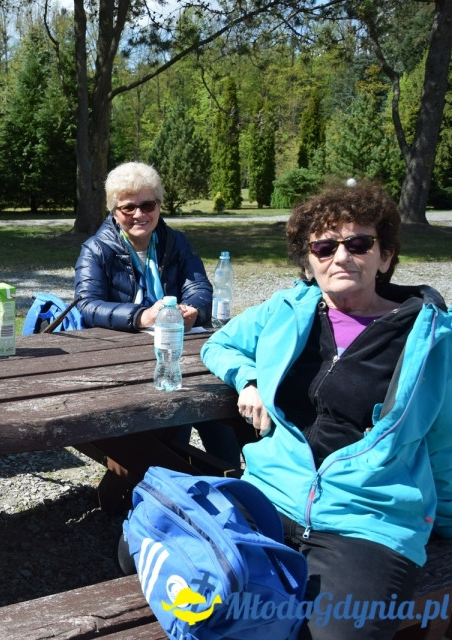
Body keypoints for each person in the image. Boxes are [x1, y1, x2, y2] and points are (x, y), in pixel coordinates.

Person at [199, 182, 452, 639]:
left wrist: (444, 524)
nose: (341, 256)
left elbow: (445, 441)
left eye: (359, 243)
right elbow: (219, 343)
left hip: (366, 520)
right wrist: (249, 379)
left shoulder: (430, 339)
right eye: (324, 245)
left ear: (386, 256)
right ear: (309, 259)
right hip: (268, 496)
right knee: (178, 577)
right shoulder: (288, 309)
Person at [74, 161, 241, 469]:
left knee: (217, 404)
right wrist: (140, 316)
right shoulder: (96, 248)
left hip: (178, 346)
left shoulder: (175, 242)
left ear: (159, 205)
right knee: (170, 414)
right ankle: (165, 483)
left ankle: (231, 483)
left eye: (148, 205)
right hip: (122, 356)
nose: (140, 214)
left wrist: (194, 310)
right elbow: (88, 304)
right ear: (114, 211)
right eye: (128, 208)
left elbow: (201, 288)